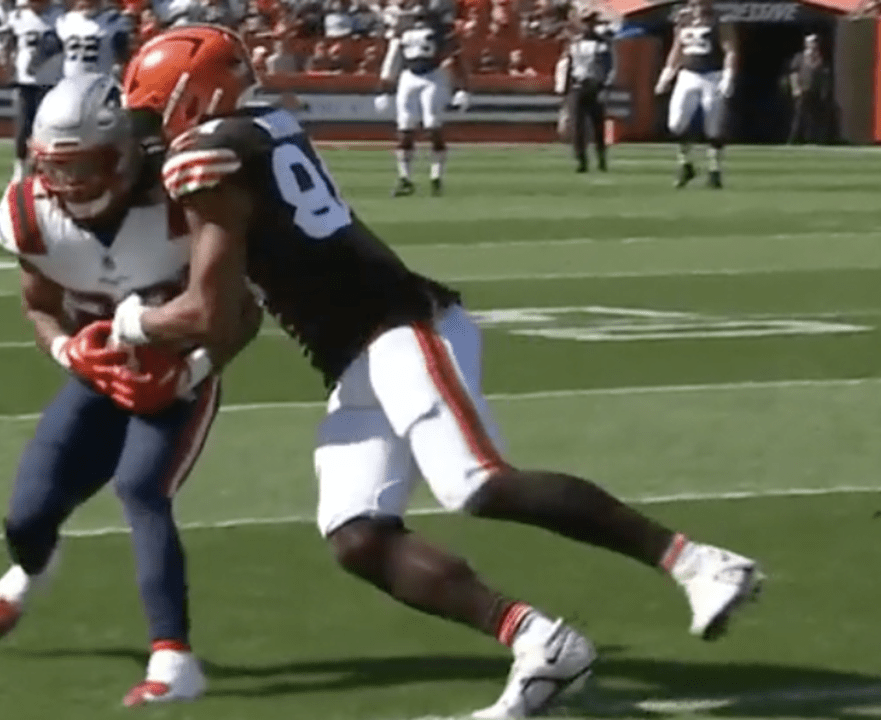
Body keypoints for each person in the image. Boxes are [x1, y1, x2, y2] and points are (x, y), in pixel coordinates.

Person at [118, 25, 765, 719]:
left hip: (400, 327)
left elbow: (209, 312)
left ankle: (697, 561)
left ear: (192, 99)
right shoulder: (259, 126)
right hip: (350, 352)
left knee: (476, 481)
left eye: (154, 111)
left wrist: (131, 323)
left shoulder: (212, 153)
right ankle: (540, 642)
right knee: (358, 534)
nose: (149, 129)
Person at [0, 72, 260, 706]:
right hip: (97, 366)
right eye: (57, 167)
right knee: (27, 516)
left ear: (124, 154)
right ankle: (34, 570)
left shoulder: (185, 198)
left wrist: (194, 369)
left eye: (85, 166)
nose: (70, 185)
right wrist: (67, 348)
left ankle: (174, 659)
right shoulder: (29, 214)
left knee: (141, 487)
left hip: (181, 367)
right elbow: (39, 305)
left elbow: (244, 311)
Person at [378, 8, 470, 196]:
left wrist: (462, 88)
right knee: (404, 128)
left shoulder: (441, 26)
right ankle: (405, 178)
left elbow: (454, 57)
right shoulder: (403, 25)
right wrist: (384, 88)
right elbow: (392, 58)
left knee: (432, 125)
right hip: (409, 76)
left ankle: (436, 176)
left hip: (433, 76)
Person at [655, 0, 737, 189]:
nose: (698, 7)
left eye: (701, 3)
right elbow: (676, 51)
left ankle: (714, 170)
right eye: (694, 3)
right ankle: (685, 164)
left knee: (713, 126)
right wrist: (666, 76)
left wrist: (728, 76)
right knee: (676, 123)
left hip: (712, 75)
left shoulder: (719, 21)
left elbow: (730, 50)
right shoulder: (684, 22)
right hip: (687, 75)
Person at [4, 0, 64, 180]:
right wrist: (9, 68)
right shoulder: (18, 16)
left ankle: (47, 167)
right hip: (25, 80)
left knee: (50, 128)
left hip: (52, 80)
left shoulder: (60, 17)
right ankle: (20, 166)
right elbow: (9, 44)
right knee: (23, 127)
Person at [559, 11, 614, 172]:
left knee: (598, 125)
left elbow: (608, 68)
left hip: (595, 85)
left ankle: (601, 159)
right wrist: (565, 89)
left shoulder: (602, 44)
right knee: (577, 126)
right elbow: (569, 67)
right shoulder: (574, 43)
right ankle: (581, 160)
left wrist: (605, 87)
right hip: (578, 85)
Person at [56, 0, 130, 79]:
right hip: (71, 84)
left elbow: (124, 57)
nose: (86, 2)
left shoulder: (116, 20)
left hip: (102, 83)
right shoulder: (64, 21)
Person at [787, 33, 831, 145]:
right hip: (802, 91)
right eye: (811, 42)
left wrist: (824, 90)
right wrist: (795, 88)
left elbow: (824, 74)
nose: (814, 44)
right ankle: (794, 139)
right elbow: (794, 73)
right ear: (806, 44)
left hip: (815, 91)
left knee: (814, 117)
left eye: (815, 42)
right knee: (799, 115)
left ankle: (811, 139)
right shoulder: (800, 57)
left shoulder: (820, 58)